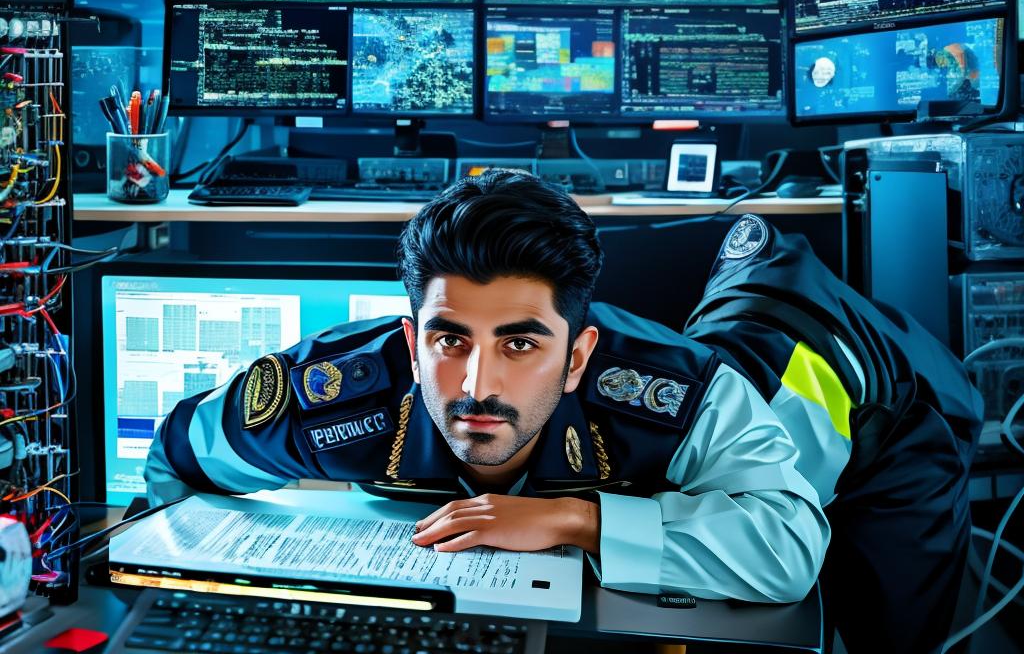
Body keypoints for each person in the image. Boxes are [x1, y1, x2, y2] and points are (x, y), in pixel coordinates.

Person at [145, 169, 829, 602]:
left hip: (828, 385)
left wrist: (575, 520)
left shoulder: (677, 394)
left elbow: (791, 547)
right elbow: (177, 455)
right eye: (450, 340)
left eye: (520, 343)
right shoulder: (334, 395)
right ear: (412, 346)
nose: (477, 384)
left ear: (576, 357)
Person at [683, 212, 983, 654]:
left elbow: (782, 554)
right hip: (832, 350)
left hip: (919, 424)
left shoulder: (753, 423)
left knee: (894, 633)